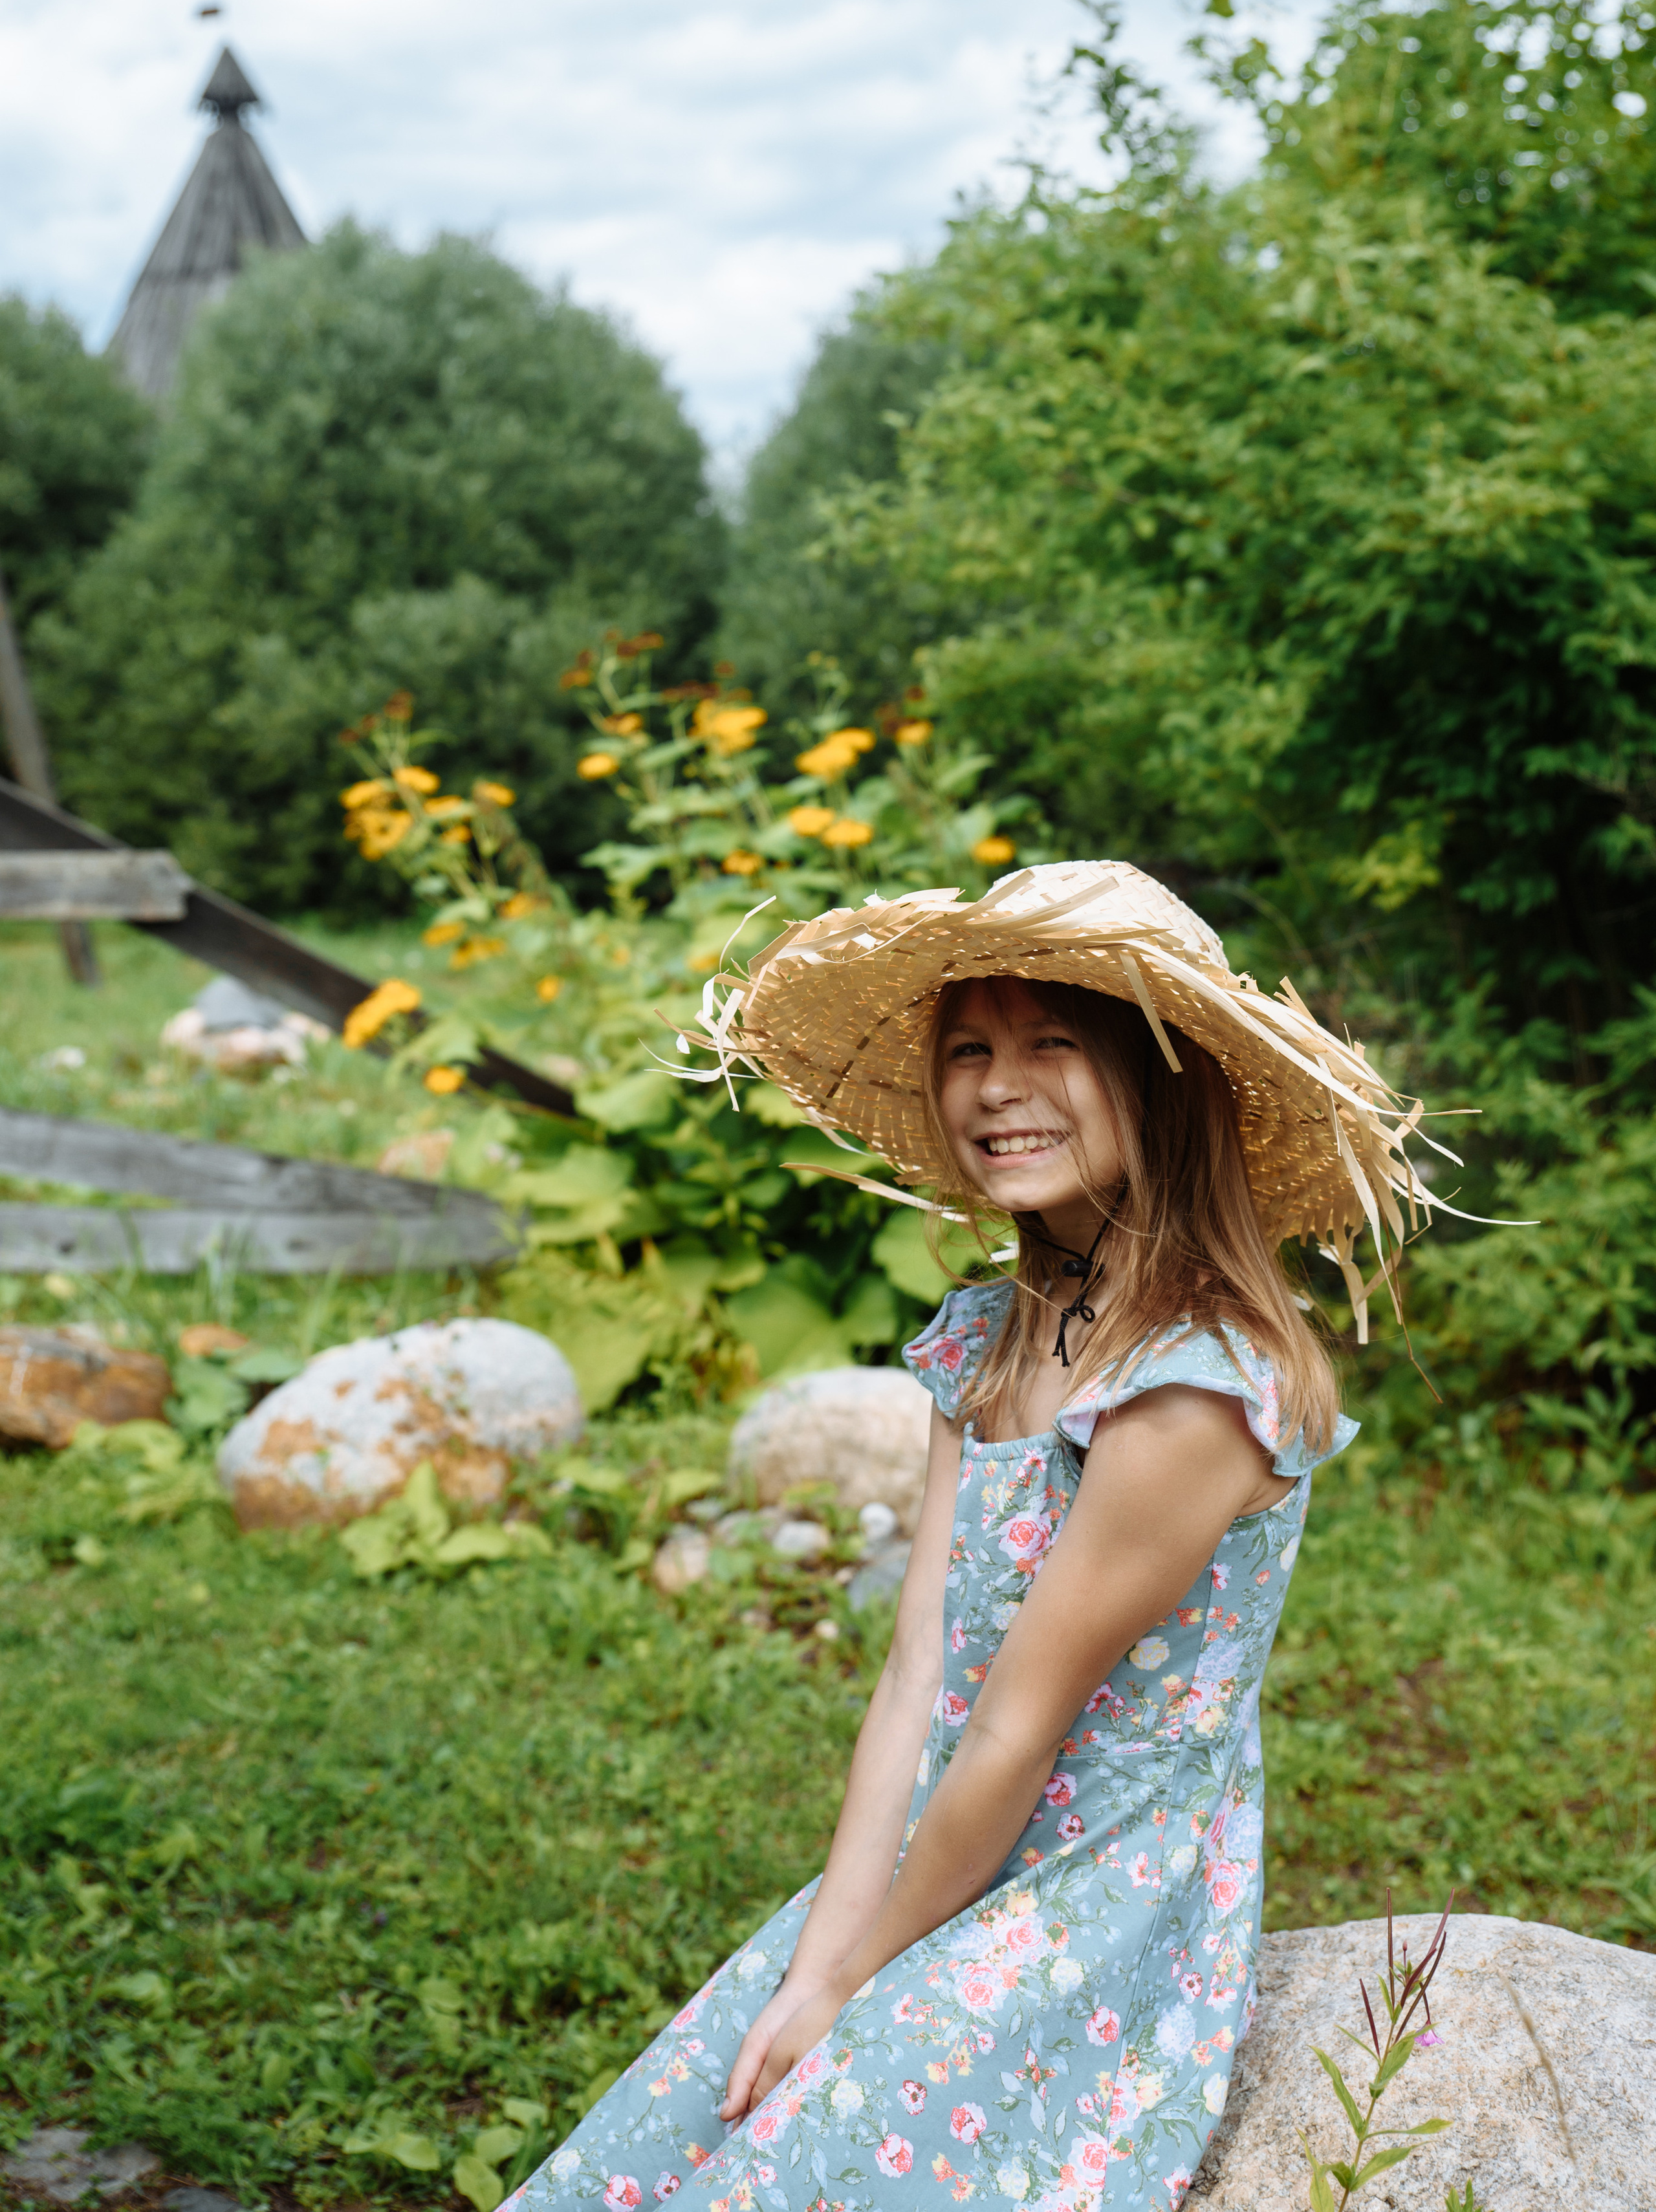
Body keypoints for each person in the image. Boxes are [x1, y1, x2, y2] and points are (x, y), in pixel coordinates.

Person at [508, 861, 1439, 2212]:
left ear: (1160, 1077)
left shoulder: (1193, 1383)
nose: (998, 1087)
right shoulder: (990, 1339)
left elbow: (1017, 1728)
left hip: (1088, 1884)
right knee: (711, 2100)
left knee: (829, 2148)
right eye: (967, 1050)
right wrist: (822, 1952)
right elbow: (917, 1672)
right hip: (944, 1845)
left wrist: (853, 1980)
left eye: (1052, 1042)